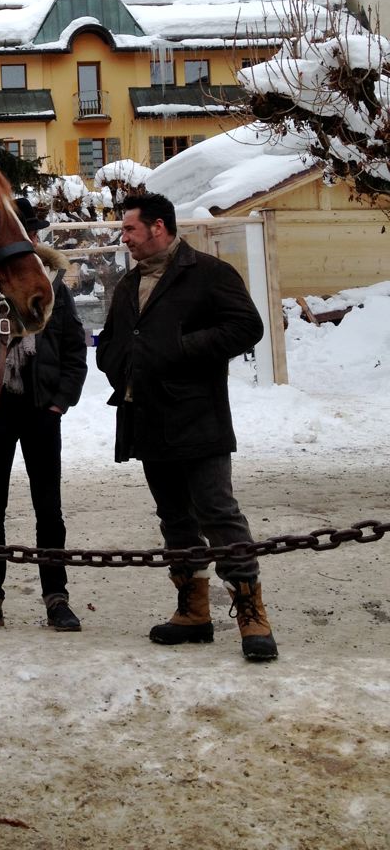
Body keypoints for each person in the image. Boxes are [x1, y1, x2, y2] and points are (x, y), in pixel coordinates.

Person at [96, 192, 278, 661]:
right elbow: (113, 340)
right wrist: (118, 362)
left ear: (159, 227)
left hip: (199, 418)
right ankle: (193, 612)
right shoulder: (126, 284)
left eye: (130, 229)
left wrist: (180, 347)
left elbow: (247, 327)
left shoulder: (210, 274)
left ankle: (251, 616)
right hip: (146, 419)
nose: (125, 238)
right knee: (174, 518)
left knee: (218, 512)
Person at [0, 196, 88, 635]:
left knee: (50, 508)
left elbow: (73, 351)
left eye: (27, 231)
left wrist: (61, 400)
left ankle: (56, 597)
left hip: (41, 410)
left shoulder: (52, 288)